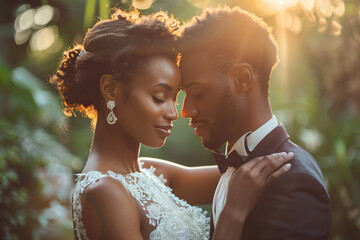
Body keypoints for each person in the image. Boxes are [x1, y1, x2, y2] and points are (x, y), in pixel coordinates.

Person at [50, 9, 292, 240]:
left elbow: (248, 173)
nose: (174, 113)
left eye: (174, 98)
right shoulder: (105, 193)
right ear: (110, 89)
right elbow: (239, 189)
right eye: (158, 97)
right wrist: (232, 215)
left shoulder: (150, 172)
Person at [179, 6, 332, 240]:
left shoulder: (293, 182)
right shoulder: (234, 171)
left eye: (198, 92)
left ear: (242, 79)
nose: (185, 110)